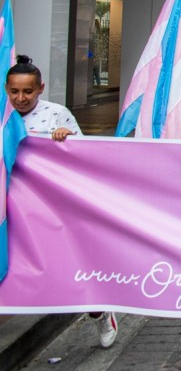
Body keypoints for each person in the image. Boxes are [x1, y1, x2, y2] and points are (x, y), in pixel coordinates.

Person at [5, 55, 118, 349]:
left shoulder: (56, 113)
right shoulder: (3, 117)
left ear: (40, 88)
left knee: (68, 264)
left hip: (50, 206)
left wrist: (67, 140)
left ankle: (99, 310)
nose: (21, 98)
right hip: (11, 206)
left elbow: (82, 158)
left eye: (28, 91)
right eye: (14, 91)